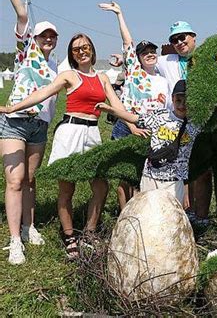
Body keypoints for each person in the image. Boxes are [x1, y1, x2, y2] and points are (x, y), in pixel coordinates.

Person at [0, 33, 126, 259]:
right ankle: (69, 237)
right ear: (72, 55)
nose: (82, 52)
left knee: (100, 185)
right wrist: (13, 107)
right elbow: (43, 93)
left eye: (85, 47)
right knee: (67, 188)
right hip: (70, 131)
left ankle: (89, 232)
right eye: (76, 50)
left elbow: (117, 105)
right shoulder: (68, 75)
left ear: (92, 50)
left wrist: (134, 124)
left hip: (93, 132)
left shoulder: (104, 77)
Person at [0, 0, 59, 264]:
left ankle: (29, 226)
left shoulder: (56, 67)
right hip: (14, 123)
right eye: (43, 35)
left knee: (30, 180)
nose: (48, 39)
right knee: (14, 180)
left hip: (39, 127)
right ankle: (14, 241)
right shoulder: (26, 53)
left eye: (52, 36)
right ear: (35, 39)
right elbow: (21, 13)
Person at [99, 1, 170, 210]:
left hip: (152, 129)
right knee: (125, 175)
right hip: (127, 125)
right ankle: (125, 214)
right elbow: (128, 41)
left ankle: (141, 212)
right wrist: (119, 14)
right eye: (144, 52)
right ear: (137, 58)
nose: (150, 54)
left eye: (152, 51)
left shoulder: (163, 79)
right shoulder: (134, 71)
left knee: (144, 173)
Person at [96, 80, 200, 205]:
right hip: (151, 176)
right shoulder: (161, 116)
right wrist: (110, 110)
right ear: (172, 99)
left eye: (186, 101)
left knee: (170, 218)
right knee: (148, 213)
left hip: (175, 180)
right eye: (178, 100)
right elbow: (135, 118)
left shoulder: (195, 124)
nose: (182, 105)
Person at [157, 21, 212, 225]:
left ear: (193, 37)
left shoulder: (207, 60)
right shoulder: (167, 61)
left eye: (182, 37)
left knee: (203, 170)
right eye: (174, 39)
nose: (179, 42)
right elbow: (142, 60)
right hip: (176, 122)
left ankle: (202, 216)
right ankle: (183, 213)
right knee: (179, 168)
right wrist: (123, 61)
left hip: (202, 122)